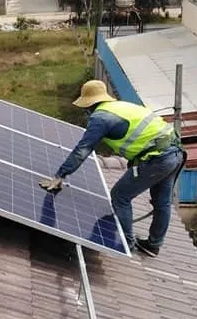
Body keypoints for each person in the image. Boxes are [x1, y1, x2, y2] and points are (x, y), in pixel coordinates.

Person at [39, 81, 184, 257]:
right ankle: (154, 245)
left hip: (157, 159)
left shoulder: (100, 118)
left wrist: (60, 175)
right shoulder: (121, 106)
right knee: (162, 202)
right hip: (175, 152)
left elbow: (82, 150)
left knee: (120, 196)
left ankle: (127, 243)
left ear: (89, 105)